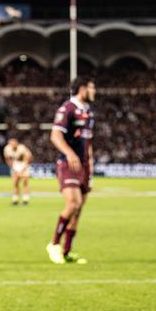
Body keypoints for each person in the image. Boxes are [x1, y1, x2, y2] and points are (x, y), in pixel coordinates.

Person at [47, 78, 96, 264]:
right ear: (82, 89)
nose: (94, 91)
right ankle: (54, 244)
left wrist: (90, 165)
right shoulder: (67, 109)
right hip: (68, 164)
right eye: (91, 88)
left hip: (84, 166)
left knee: (78, 209)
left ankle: (67, 251)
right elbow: (55, 136)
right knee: (73, 204)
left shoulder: (88, 112)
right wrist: (70, 154)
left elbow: (88, 142)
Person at [3, 137, 33, 206]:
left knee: (25, 182)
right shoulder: (7, 149)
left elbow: (28, 158)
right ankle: (15, 199)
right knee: (15, 182)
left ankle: (25, 199)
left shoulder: (22, 148)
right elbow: (7, 159)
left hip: (23, 164)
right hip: (15, 164)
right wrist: (13, 168)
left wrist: (23, 168)